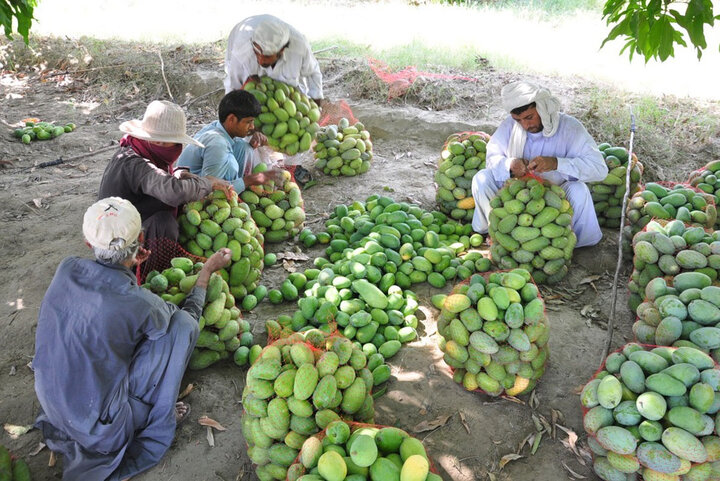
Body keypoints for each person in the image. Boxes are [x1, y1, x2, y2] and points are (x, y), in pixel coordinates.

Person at [33, 197, 232, 481]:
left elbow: (107, 297)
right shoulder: (138, 302)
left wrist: (125, 264)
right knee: (182, 326)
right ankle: (145, 419)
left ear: (88, 244)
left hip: (57, 406)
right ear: (141, 238)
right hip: (101, 430)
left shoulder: (67, 267)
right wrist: (205, 273)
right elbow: (182, 315)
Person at [471, 80, 608, 247]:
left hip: (556, 196)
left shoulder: (570, 128)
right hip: (516, 194)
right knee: (481, 178)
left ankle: (576, 245)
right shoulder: (510, 126)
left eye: (529, 117)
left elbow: (599, 169)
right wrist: (510, 165)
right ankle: (491, 231)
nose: (525, 125)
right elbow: (492, 159)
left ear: (542, 108)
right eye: (518, 120)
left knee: (579, 190)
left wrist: (556, 163)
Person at [98, 100, 232, 242]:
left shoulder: (143, 150)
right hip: (116, 239)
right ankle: (145, 264)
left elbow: (158, 180)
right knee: (165, 223)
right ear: (159, 142)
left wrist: (178, 175)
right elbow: (173, 192)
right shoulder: (134, 162)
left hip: (131, 218)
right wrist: (208, 183)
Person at [177, 90, 283, 192]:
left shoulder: (219, 127)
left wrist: (251, 144)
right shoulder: (217, 143)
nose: (252, 127)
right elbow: (211, 191)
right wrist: (251, 180)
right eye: (248, 122)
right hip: (194, 195)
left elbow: (240, 148)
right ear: (231, 119)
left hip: (204, 182)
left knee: (245, 147)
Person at [224, 14, 323, 104]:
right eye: (257, 53)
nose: (261, 61)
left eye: (267, 56)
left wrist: (316, 104)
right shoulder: (242, 50)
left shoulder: (299, 49)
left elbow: (313, 73)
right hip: (241, 38)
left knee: (293, 90)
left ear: (282, 50)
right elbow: (233, 85)